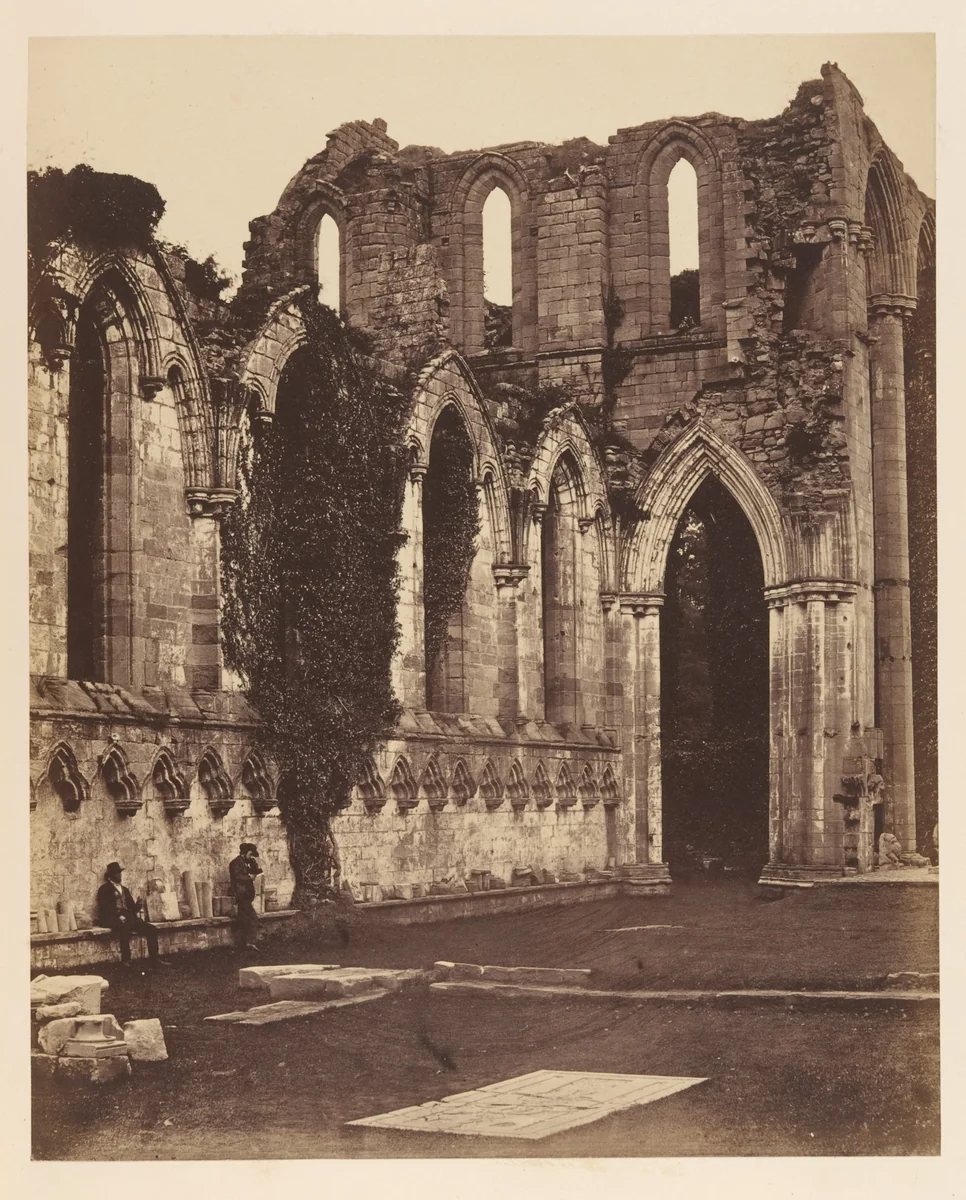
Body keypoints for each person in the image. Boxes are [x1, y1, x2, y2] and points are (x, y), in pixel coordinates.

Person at [96, 862, 172, 967]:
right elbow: (105, 907)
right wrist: (118, 915)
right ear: (110, 876)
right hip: (111, 918)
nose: (119, 875)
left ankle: (154, 959)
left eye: (120, 873)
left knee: (151, 929)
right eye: (116, 873)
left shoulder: (125, 890)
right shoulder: (104, 889)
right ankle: (126, 960)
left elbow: (132, 908)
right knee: (124, 927)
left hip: (127, 916)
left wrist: (138, 905)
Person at [229, 842, 262, 950]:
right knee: (253, 917)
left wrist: (254, 864)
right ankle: (250, 943)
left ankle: (243, 944)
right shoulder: (235, 863)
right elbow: (237, 877)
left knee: (244, 918)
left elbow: (255, 870)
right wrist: (249, 877)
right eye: (250, 854)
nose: (252, 857)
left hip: (247, 895)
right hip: (241, 895)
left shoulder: (247, 862)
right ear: (245, 852)